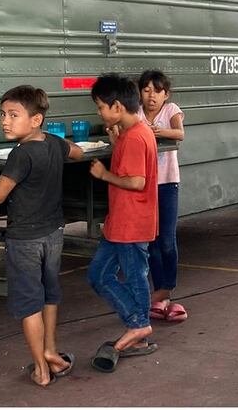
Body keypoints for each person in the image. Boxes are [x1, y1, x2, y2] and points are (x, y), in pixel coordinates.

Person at [0, 86, 83, 387]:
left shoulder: (20, 154)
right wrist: (62, 146)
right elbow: (78, 152)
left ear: (36, 119)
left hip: (24, 240)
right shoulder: (54, 143)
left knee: (30, 303)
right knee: (50, 294)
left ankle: (42, 371)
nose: (5, 121)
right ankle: (51, 352)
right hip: (54, 234)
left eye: (14, 115)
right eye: (2, 114)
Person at [87, 74, 160, 371]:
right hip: (122, 222)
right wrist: (116, 138)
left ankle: (139, 326)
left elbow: (136, 180)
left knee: (131, 276)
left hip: (130, 223)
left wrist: (104, 175)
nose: (99, 112)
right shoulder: (135, 132)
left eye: (101, 107)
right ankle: (139, 328)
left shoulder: (135, 137)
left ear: (117, 106)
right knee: (99, 275)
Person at [138, 70, 187, 323]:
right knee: (152, 242)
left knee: (167, 240)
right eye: (146, 90)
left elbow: (179, 134)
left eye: (156, 91)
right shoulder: (136, 113)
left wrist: (156, 132)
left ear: (165, 94)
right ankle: (162, 298)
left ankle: (167, 288)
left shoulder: (171, 111)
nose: (151, 96)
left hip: (168, 183)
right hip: (145, 185)